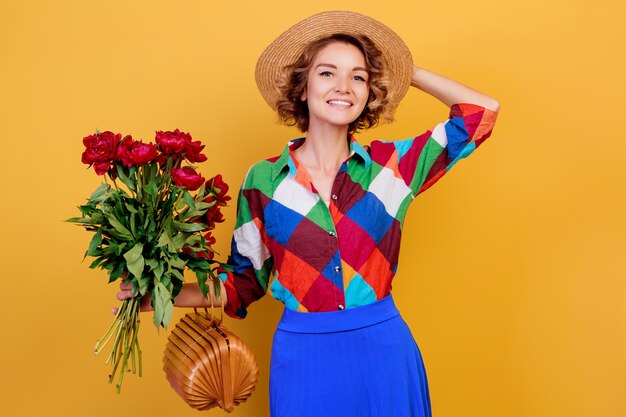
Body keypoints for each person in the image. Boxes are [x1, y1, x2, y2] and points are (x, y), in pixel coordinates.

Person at [117, 10, 499, 417]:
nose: (343, 86)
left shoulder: (394, 167)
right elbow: (243, 282)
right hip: (303, 359)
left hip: (383, 355)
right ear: (302, 87)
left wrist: (404, 69)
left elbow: (481, 113)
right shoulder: (263, 180)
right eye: (327, 73)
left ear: (371, 91)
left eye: (358, 77)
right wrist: (164, 296)